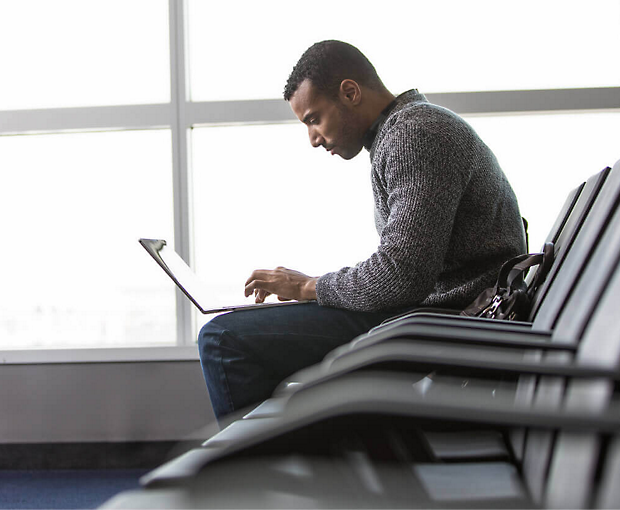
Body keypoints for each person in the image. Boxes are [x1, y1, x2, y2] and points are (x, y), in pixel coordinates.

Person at [198, 40, 527, 422]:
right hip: (433, 315)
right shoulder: (407, 130)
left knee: (223, 340)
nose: (313, 138)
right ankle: (312, 461)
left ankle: (270, 471)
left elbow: (399, 276)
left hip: (442, 320)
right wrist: (313, 290)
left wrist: (308, 287)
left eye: (313, 119)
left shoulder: (416, 135)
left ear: (350, 93)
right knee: (258, 339)